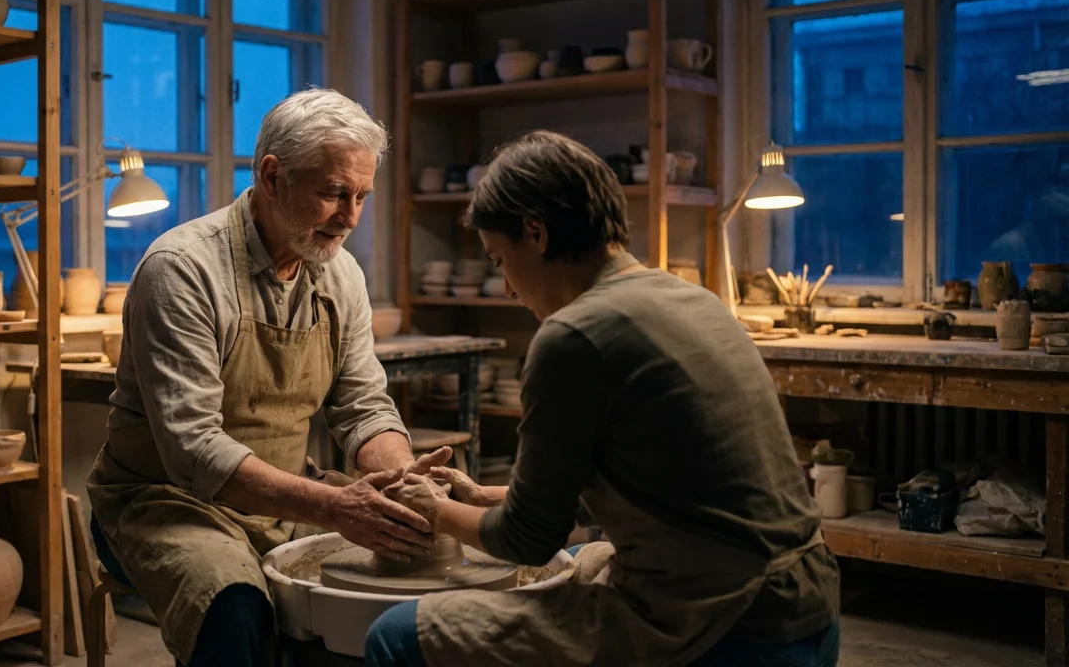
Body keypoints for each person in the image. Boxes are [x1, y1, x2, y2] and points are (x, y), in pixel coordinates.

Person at [365, 130, 842, 667]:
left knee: (397, 634)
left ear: (536, 232)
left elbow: (528, 540)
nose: (508, 290)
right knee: (580, 559)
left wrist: (435, 511)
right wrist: (478, 497)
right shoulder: (693, 299)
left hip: (732, 627)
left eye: (499, 260)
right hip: (809, 605)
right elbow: (647, 485)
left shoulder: (574, 335)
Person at [87, 88, 450, 666]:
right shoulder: (182, 269)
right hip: (162, 500)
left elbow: (363, 406)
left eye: (361, 196)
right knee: (234, 605)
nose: (350, 218)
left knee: (386, 580)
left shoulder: (342, 275)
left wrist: (405, 480)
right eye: (333, 193)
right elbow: (194, 451)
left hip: (283, 494)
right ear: (273, 175)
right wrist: (333, 508)